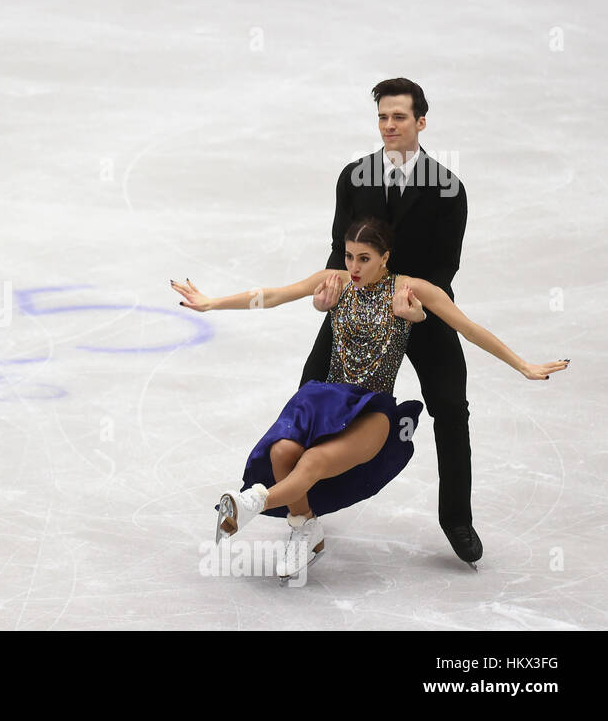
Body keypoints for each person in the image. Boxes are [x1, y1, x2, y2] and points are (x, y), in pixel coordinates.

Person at [170, 217, 568, 580]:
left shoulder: (411, 290)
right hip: (324, 401)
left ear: (385, 258)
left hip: (371, 412)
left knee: (311, 462)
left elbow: (468, 328)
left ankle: (249, 504)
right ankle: (304, 531)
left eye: (364, 258)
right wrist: (211, 302)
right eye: (348, 256)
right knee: (280, 453)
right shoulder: (337, 282)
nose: (354, 267)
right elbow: (272, 296)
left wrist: (522, 365)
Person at [301, 78, 485, 566]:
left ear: (421, 122)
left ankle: (457, 518)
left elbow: (446, 265)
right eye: (382, 117)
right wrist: (333, 293)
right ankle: (304, 510)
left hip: (419, 308)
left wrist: (417, 305)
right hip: (361, 303)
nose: (389, 126)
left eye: (399, 117)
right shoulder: (354, 177)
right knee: (311, 387)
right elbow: (340, 249)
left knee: (450, 404)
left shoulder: (448, 190)